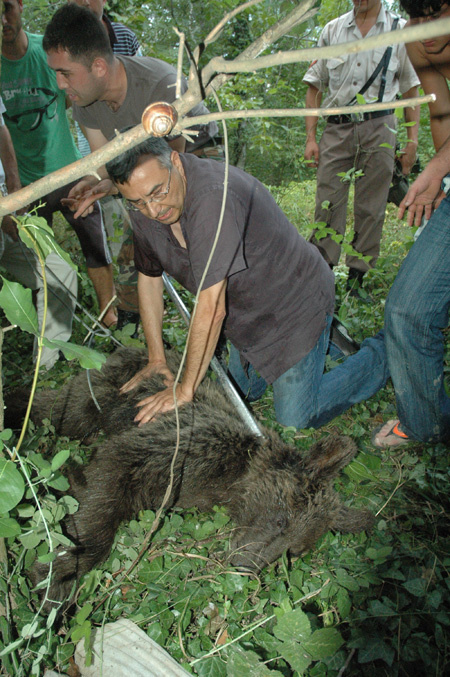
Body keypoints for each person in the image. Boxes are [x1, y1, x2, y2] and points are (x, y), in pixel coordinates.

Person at [103, 136, 389, 427]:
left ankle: (382, 353)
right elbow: (150, 278)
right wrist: (156, 358)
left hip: (295, 305)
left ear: (175, 161)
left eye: (158, 192)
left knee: (295, 418)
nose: (153, 210)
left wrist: (184, 389)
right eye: (138, 202)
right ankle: (328, 344)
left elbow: (212, 308)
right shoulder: (145, 206)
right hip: (245, 313)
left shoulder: (213, 198)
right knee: (245, 393)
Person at [42, 3, 218, 330]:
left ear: (97, 66)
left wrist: (111, 185)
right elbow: (102, 162)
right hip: (140, 176)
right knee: (131, 259)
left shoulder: (159, 85)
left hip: (192, 160)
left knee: (199, 246)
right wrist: (94, 184)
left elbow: (167, 169)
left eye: (64, 73)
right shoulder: (87, 101)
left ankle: (219, 328)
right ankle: (135, 334)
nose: (60, 84)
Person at [1, 0, 116, 328]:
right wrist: (10, 191)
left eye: (7, 7)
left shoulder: (48, 53)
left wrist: (95, 168)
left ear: (21, 6)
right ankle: (50, 331)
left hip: (67, 169)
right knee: (38, 258)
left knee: (94, 236)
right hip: (24, 183)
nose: (4, 20)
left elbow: (79, 100)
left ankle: (108, 315)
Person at [372, 0, 450, 447]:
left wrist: (439, 166)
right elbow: (441, 113)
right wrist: (443, 178)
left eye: (436, 14)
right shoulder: (422, 43)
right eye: (415, 20)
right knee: (408, 308)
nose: (425, 30)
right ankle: (424, 423)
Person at [303, 0, 420, 294]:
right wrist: (311, 137)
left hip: (380, 127)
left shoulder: (399, 30)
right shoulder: (332, 31)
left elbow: (410, 90)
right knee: (327, 202)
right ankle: (322, 275)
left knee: (372, 205)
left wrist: (412, 141)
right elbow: (314, 88)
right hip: (336, 128)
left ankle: (357, 281)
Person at [68, 0, 143, 331]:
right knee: (122, 244)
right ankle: (130, 321)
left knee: (146, 234)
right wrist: (95, 176)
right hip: (102, 162)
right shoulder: (62, 44)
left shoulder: (125, 39)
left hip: (140, 160)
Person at [0, 96, 77, 370]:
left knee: (59, 273)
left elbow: (1, 130)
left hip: (7, 212)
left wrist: (12, 191)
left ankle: (44, 370)